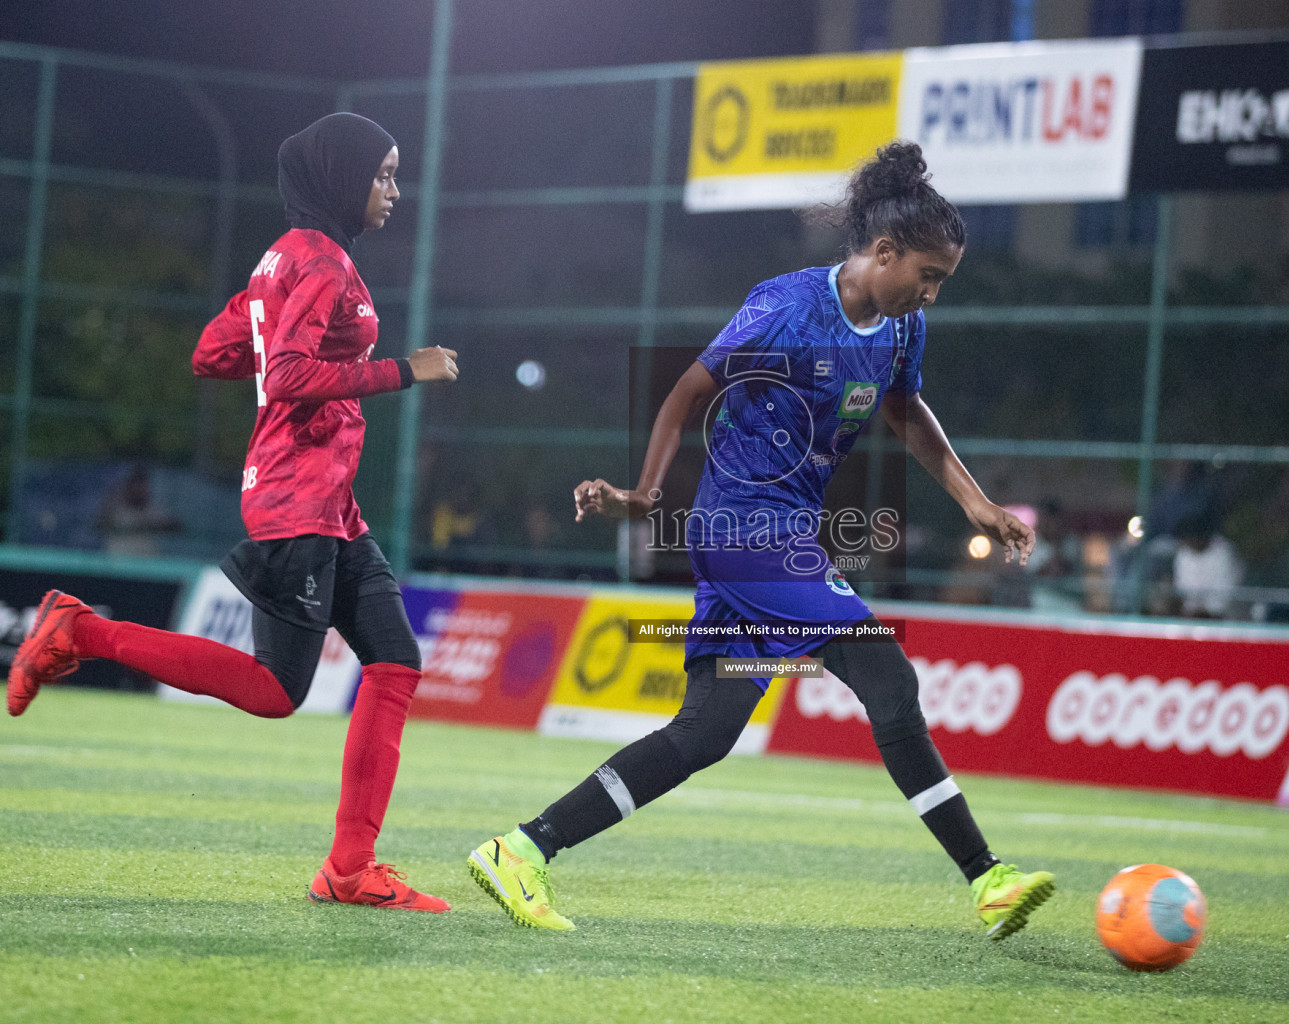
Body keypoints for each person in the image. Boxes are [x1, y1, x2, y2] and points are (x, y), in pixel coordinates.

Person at [466, 142, 1054, 938]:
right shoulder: (784, 305)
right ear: (884, 252)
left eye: (942, 281)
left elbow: (907, 414)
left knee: (706, 732)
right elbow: (686, 390)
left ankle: (522, 850)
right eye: (928, 275)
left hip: (777, 536)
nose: (933, 295)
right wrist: (644, 495)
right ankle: (986, 877)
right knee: (885, 671)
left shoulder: (901, 330)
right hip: (742, 530)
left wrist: (974, 500)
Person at [7, 113, 460, 910]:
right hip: (297, 499)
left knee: (394, 660)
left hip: (330, 503)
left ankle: (350, 870)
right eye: (383, 174)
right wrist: (402, 371)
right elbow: (284, 375)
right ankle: (82, 631)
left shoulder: (283, 258)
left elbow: (213, 353)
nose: (393, 190)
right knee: (274, 691)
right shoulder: (322, 262)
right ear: (341, 177)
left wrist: (276, 317)